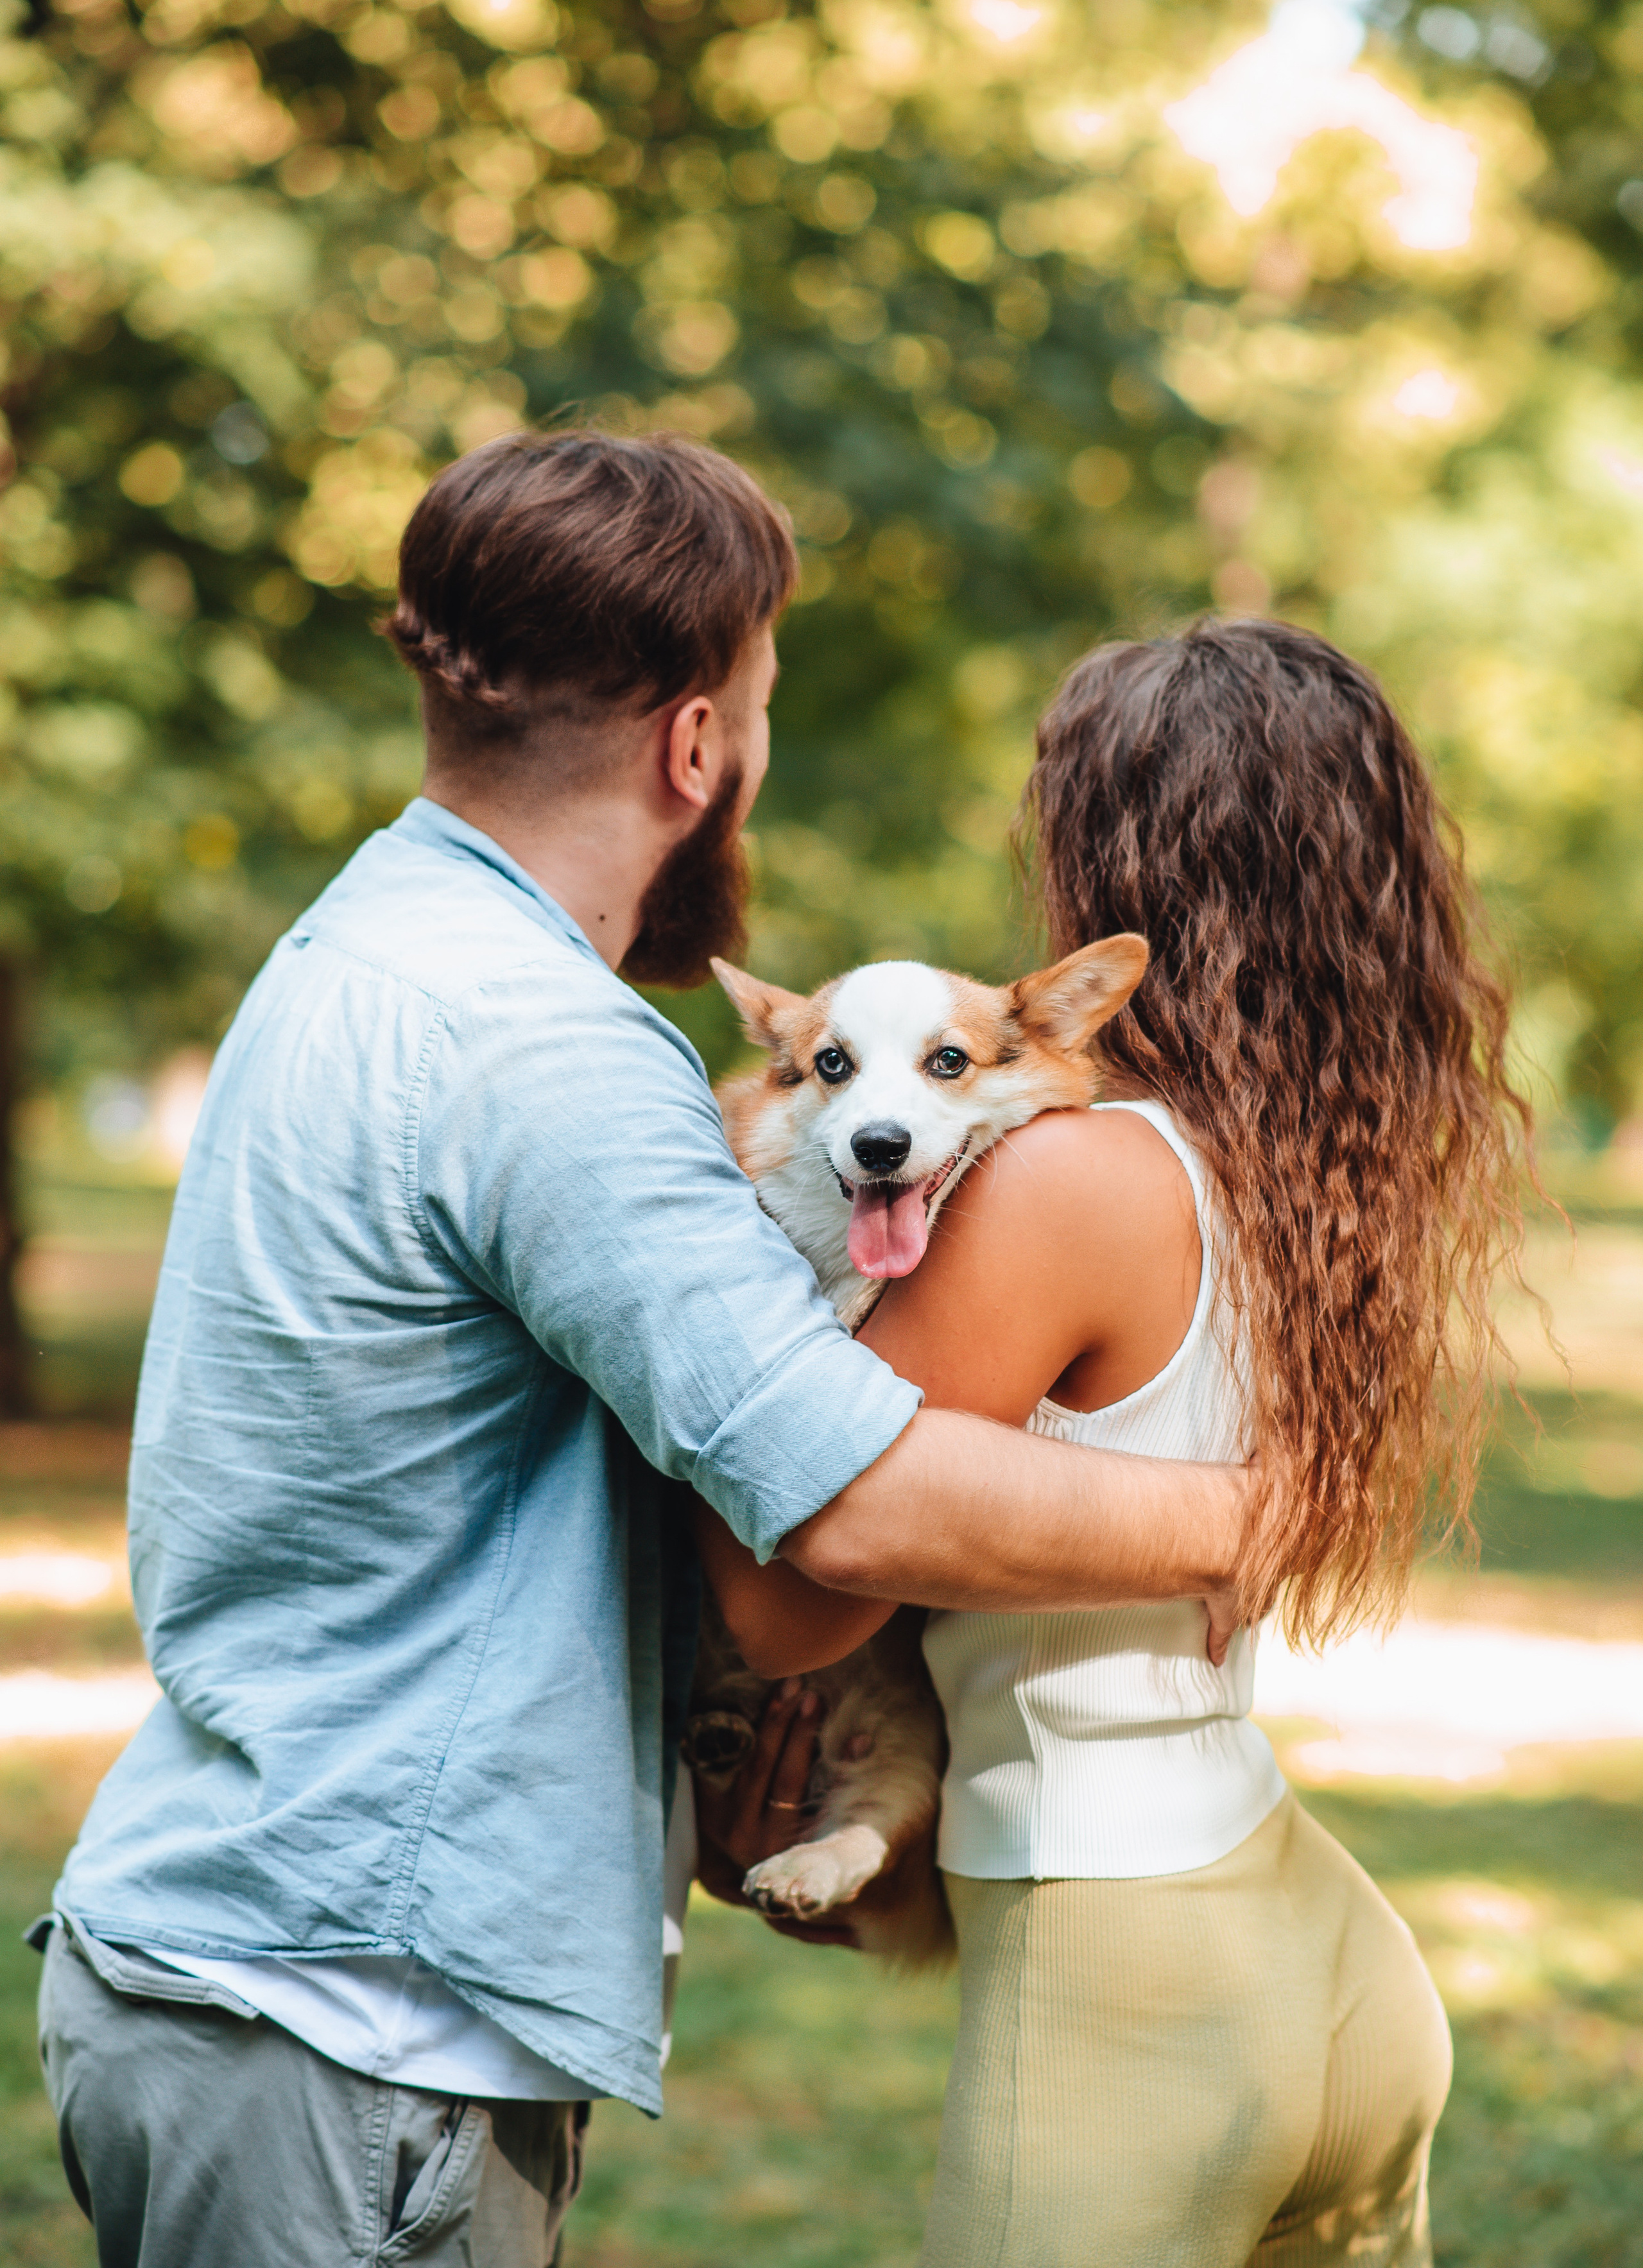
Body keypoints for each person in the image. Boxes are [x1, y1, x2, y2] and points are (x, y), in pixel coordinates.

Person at [33, 429, 1253, 2268]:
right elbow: (852, 1499)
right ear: (700, 746)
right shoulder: (544, 1043)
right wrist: (1271, 1506)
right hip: (353, 2028)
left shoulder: (365, 942)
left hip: (258, 1965)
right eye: (755, 717)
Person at [707, 619, 1529, 2265]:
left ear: (1102, 848)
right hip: (1320, 1958)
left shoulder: (1063, 1182)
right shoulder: (1323, 1183)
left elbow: (804, 1589)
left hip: (1118, 1983)